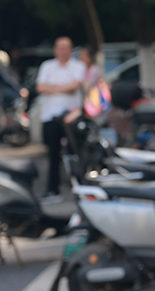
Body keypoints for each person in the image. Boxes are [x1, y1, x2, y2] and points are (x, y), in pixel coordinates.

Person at [36, 36, 86, 197]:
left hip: (72, 117)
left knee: (75, 153)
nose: (63, 51)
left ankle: (80, 186)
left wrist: (52, 88)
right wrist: (63, 88)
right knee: (52, 154)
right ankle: (52, 188)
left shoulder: (78, 66)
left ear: (71, 49)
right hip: (50, 116)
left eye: (66, 47)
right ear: (55, 50)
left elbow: (74, 86)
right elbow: (40, 87)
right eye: (60, 47)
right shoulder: (47, 66)